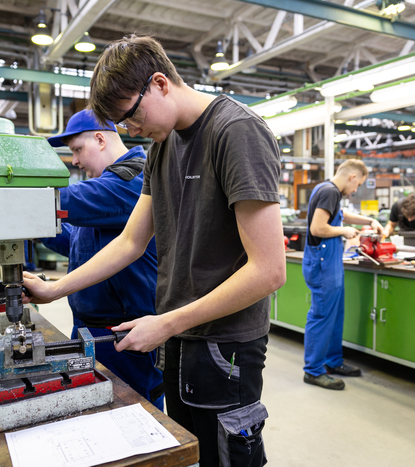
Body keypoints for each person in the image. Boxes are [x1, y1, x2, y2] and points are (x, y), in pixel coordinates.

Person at [23, 35, 285, 466]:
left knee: (227, 458)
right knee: (188, 452)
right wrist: (55, 290)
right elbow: (130, 242)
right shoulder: (161, 148)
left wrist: (166, 322)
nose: (130, 130)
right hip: (177, 336)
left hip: (223, 344)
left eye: (131, 116)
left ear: (160, 83)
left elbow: (269, 271)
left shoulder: (236, 131)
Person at [41, 109, 164, 410]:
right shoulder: (105, 189)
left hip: (124, 337)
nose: (75, 161)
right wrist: (34, 228)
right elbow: (76, 245)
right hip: (89, 329)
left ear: (99, 139)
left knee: (136, 417)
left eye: (77, 150)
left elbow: (66, 201)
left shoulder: (133, 181)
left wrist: (15, 200)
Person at [303, 160, 383, 390]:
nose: (356, 190)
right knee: (322, 315)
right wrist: (345, 231)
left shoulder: (327, 189)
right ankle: (313, 371)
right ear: (352, 177)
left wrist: (369, 220)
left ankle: (332, 361)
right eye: (358, 184)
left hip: (330, 262)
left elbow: (341, 214)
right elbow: (317, 228)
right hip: (323, 262)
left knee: (335, 315)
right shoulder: (330, 191)